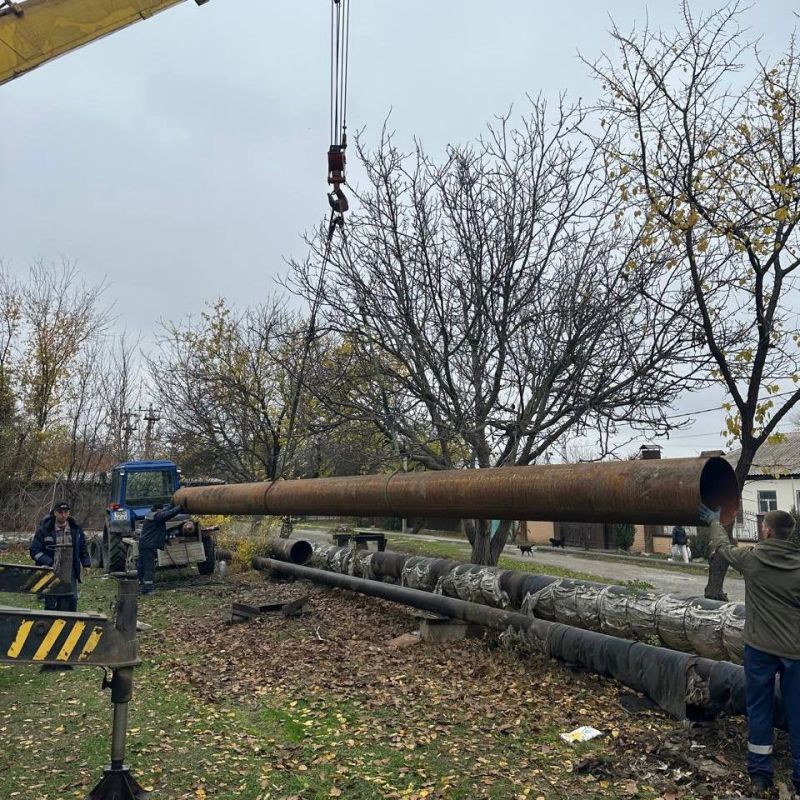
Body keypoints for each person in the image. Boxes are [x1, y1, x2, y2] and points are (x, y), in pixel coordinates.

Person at [699, 503, 800, 798]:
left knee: (759, 710)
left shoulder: (752, 559)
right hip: (795, 651)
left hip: (759, 649)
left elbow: (722, 547)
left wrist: (714, 522)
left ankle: (760, 777)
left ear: (766, 530)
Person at [30, 501, 91, 613]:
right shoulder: (44, 530)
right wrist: (49, 562)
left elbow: (82, 548)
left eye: (66, 512)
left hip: (70, 570)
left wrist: (86, 563)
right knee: (51, 602)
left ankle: (70, 625)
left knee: (72, 599)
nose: (63, 514)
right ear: (54, 513)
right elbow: (34, 551)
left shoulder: (75, 529)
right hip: (50, 571)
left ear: (69, 513)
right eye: (60, 512)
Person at [137, 503, 183, 595]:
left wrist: (172, 504)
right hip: (149, 546)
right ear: (158, 510)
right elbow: (167, 514)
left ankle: (141, 586)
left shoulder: (150, 514)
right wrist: (180, 507)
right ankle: (148, 590)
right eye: (161, 510)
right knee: (149, 568)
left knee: (142, 566)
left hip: (144, 545)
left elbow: (165, 511)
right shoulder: (157, 517)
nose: (162, 511)